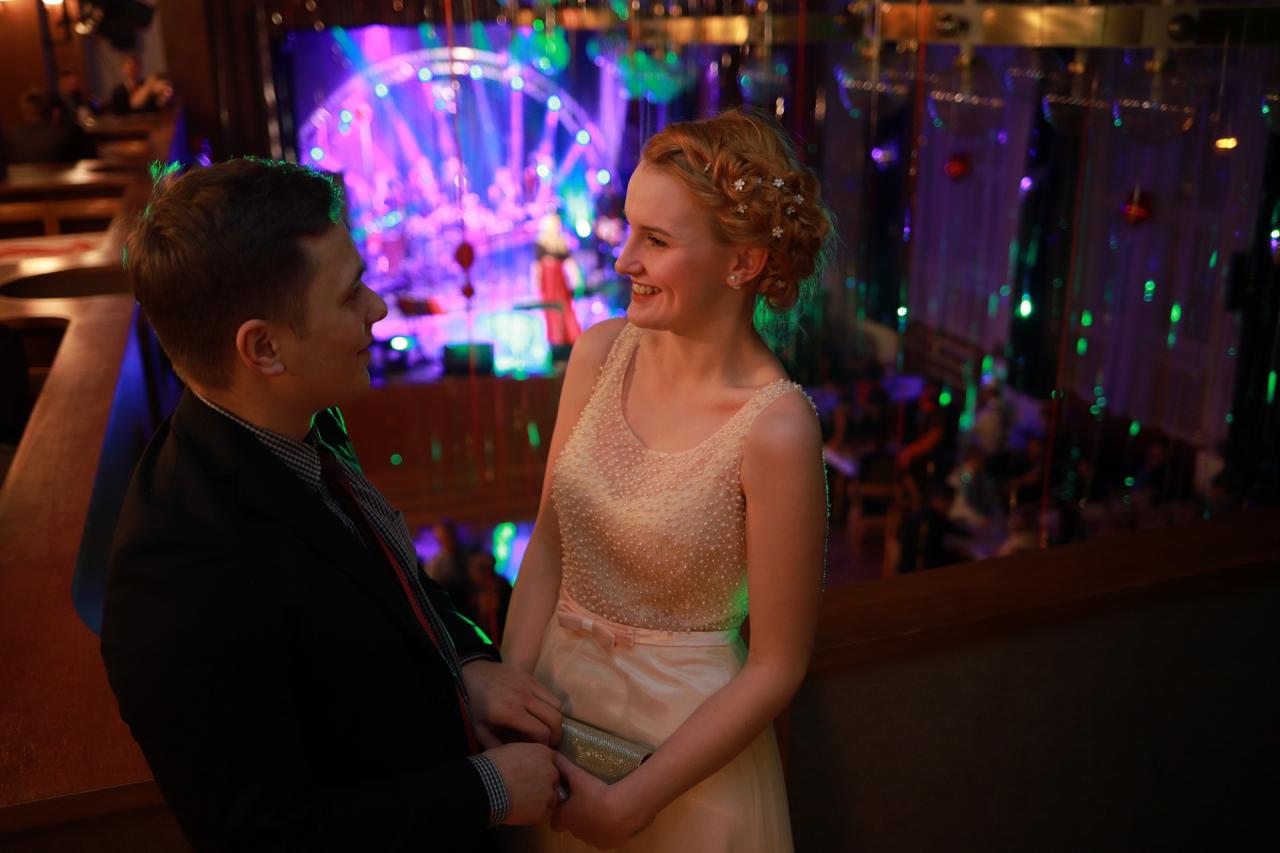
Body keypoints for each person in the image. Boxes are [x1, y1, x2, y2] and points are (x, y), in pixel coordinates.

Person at [100, 159, 564, 851]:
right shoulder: (180, 569)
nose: (378, 307)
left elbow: (391, 582)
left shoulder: (301, 419)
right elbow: (264, 834)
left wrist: (465, 663)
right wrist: (485, 790)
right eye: (351, 296)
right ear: (264, 348)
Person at [502, 109, 830, 851]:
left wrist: (633, 803)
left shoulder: (777, 428)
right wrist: (511, 708)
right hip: (556, 722)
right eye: (628, 230)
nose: (624, 260)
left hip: (688, 762)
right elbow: (548, 545)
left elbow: (777, 665)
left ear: (741, 263)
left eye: (655, 240)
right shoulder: (597, 353)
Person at [2, 89, 93, 164]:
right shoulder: (69, 136)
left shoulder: (10, 138)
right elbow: (91, 164)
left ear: (24, 113)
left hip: (21, 181)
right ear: (55, 114)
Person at [108, 52, 172, 114]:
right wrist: (149, 85)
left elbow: (157, 105)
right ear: (123, 68)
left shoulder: (149, 84)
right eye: (128, 64)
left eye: (136, 64)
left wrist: (163, 97)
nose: (132, 67)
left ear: (140, 66)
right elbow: (121, 111)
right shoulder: (118, 91)